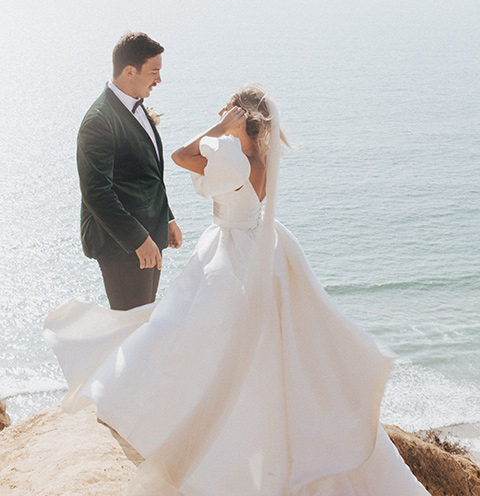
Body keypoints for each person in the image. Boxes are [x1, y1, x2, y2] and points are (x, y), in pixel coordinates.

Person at [45, 84, 430, 495]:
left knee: (181, 327)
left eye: (228, 106)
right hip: (257, 242)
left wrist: (218, 126)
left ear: (241, 116)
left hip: (229, 249)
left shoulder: (232, 156)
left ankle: (158, 405)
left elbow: (179, 156)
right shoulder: (259, 158)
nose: (221, 109)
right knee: (244, 338)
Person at [76, 31, 182, 310]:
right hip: (123, 248)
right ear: (130, 71)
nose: (159, 79)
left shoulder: (137, 107)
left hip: (149, 236)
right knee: (129, 329)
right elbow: (96, 193)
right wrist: (137, 240)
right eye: (154, 71)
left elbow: (147, 174)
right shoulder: (99, 121)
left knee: (143, 322)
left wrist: (167, 218)